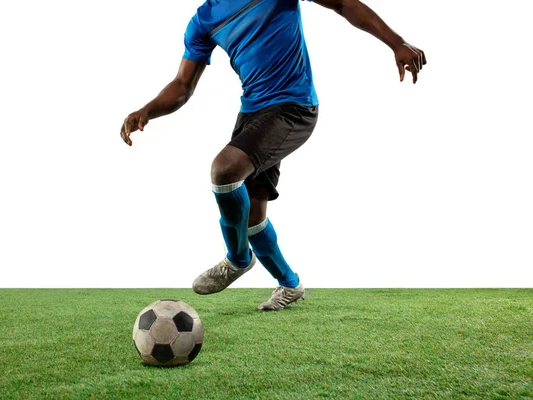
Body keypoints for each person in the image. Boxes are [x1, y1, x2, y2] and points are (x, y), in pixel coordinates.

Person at [120, 0, 426, 311]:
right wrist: (147, 110)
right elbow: (183, 85)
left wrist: (396, 43)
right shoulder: (202, 21)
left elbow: (343, 4)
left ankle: (238, 258)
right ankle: (290, 284)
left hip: (294, 107)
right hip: (253, 113)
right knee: (252, 214)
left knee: (224, 170)